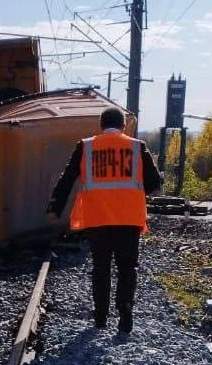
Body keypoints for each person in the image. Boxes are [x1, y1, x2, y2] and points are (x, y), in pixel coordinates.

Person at [46, 106, 162, 333]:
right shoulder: (138, 147)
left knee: (101, 267)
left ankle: (100, 317)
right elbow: (154, 183)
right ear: (123, 125)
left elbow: (67, 178)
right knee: (127, 267)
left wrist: (54, 208)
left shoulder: (86, 146)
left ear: (100, 126)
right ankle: (125, 307)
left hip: (96, 217)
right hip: (129, 218)